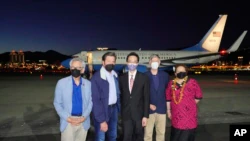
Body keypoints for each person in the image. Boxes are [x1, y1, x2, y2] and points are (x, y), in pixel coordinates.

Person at [53, 58, 93, 141]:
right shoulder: (61, 83)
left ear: (82, 70)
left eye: (78, 67)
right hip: (68, 122)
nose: (75, 69)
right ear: (70, 68)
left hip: (83, 122)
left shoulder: (88, 84)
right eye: (73, 67)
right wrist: (67, 118)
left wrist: (84, 117)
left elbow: (90, 102)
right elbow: (57, 103)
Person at [166, 64, 203, 141]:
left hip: (189, 116)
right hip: (176, 116)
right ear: (175, 73)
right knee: (176, 135)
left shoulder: (192, 82)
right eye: (178, 71)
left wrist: (189, 104)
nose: (181, 72)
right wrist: (169, 111)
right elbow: (168, 98)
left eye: (183, 71)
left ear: (186, 72)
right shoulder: (171, 83)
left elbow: (198, 96)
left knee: (188, 135)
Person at [119, 52, 150, 141]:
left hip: (139, 115)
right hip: (126, 114)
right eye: (130, 61)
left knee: (139, 137)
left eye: (134, 62)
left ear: (137, 63)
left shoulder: (144, 78)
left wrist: (145, 116)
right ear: (126, 63)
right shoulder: (121, 78)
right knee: (126, 137)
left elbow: (146, 97)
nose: (132, 64)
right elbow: (121, 96)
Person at [91, 52, 120, 141]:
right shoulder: (97, 77)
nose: (111, 63)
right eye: (108, 61)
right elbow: (95, 100)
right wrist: (101, 120)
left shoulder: (115, 76)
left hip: (114, 109)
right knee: (100, 137)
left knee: (113, 135)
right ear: (103, 62)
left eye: (113, 61)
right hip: (102, 110)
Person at [144, 54, 169, 141]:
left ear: (159, 62)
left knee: (161, 133)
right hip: (149, 110)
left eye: (157, 61)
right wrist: (148, 104)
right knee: (147, 133)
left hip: (161, 109)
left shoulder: (165, 76)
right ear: (150, 62)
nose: (155, 63)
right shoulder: (144, 76)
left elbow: (166, 91)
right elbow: (141, 94)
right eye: (153, 61)